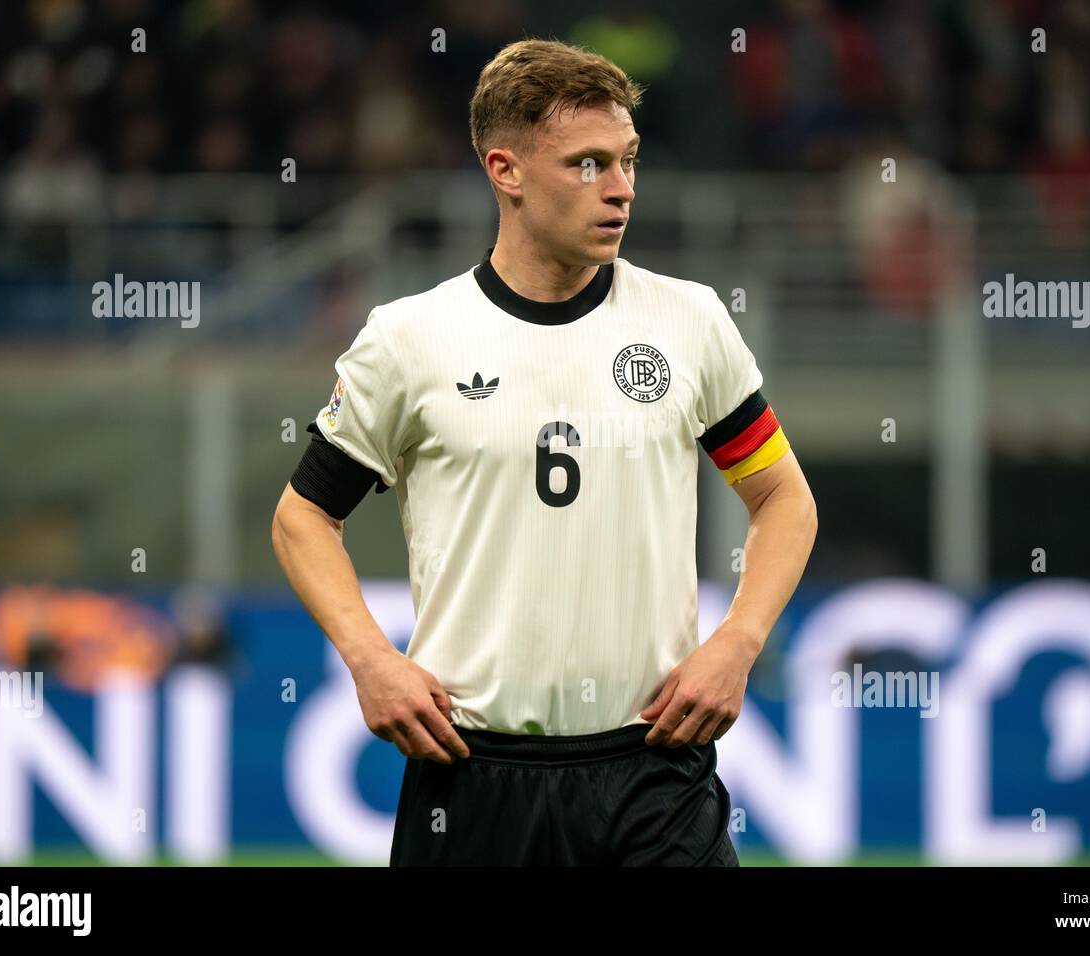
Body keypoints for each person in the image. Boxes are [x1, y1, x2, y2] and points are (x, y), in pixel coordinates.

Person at [271, 39, 818, 866]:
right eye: (588, 163)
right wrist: (370, 659)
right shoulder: (411, 339)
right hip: (472, 777)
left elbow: (784, 499)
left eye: (628, 160)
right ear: (507, 171)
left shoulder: (690, 322)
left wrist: (738, 642)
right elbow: (303, 515)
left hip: (654, 773)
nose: (622, 188)